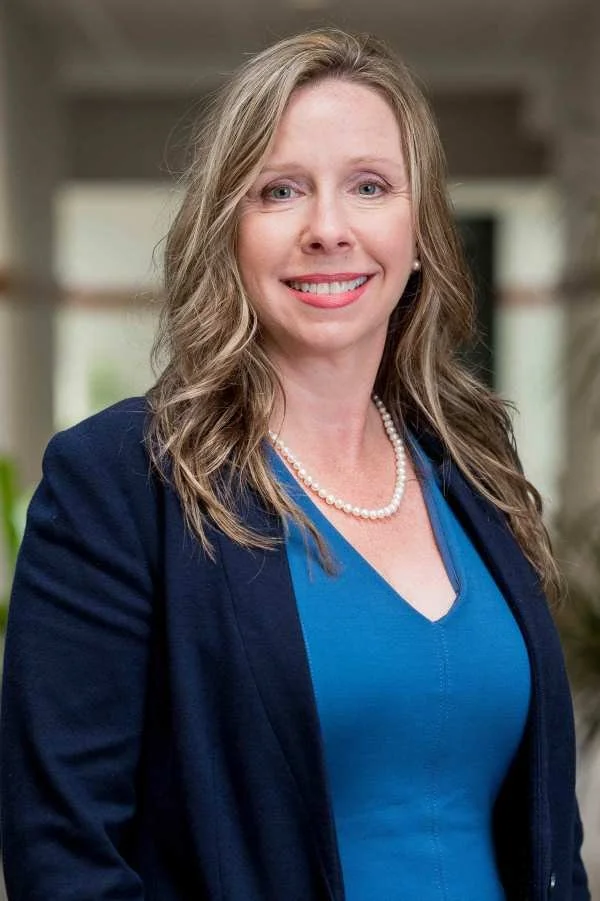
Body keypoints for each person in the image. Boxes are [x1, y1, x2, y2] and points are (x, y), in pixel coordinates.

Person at [0, 28, 590, 901]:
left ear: (420, 228)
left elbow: (550, 839)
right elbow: (63, 857)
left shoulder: (473, 468)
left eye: (369, 186)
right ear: (228, 231)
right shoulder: (121, 481)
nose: (328, 229)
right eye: (280, 190)